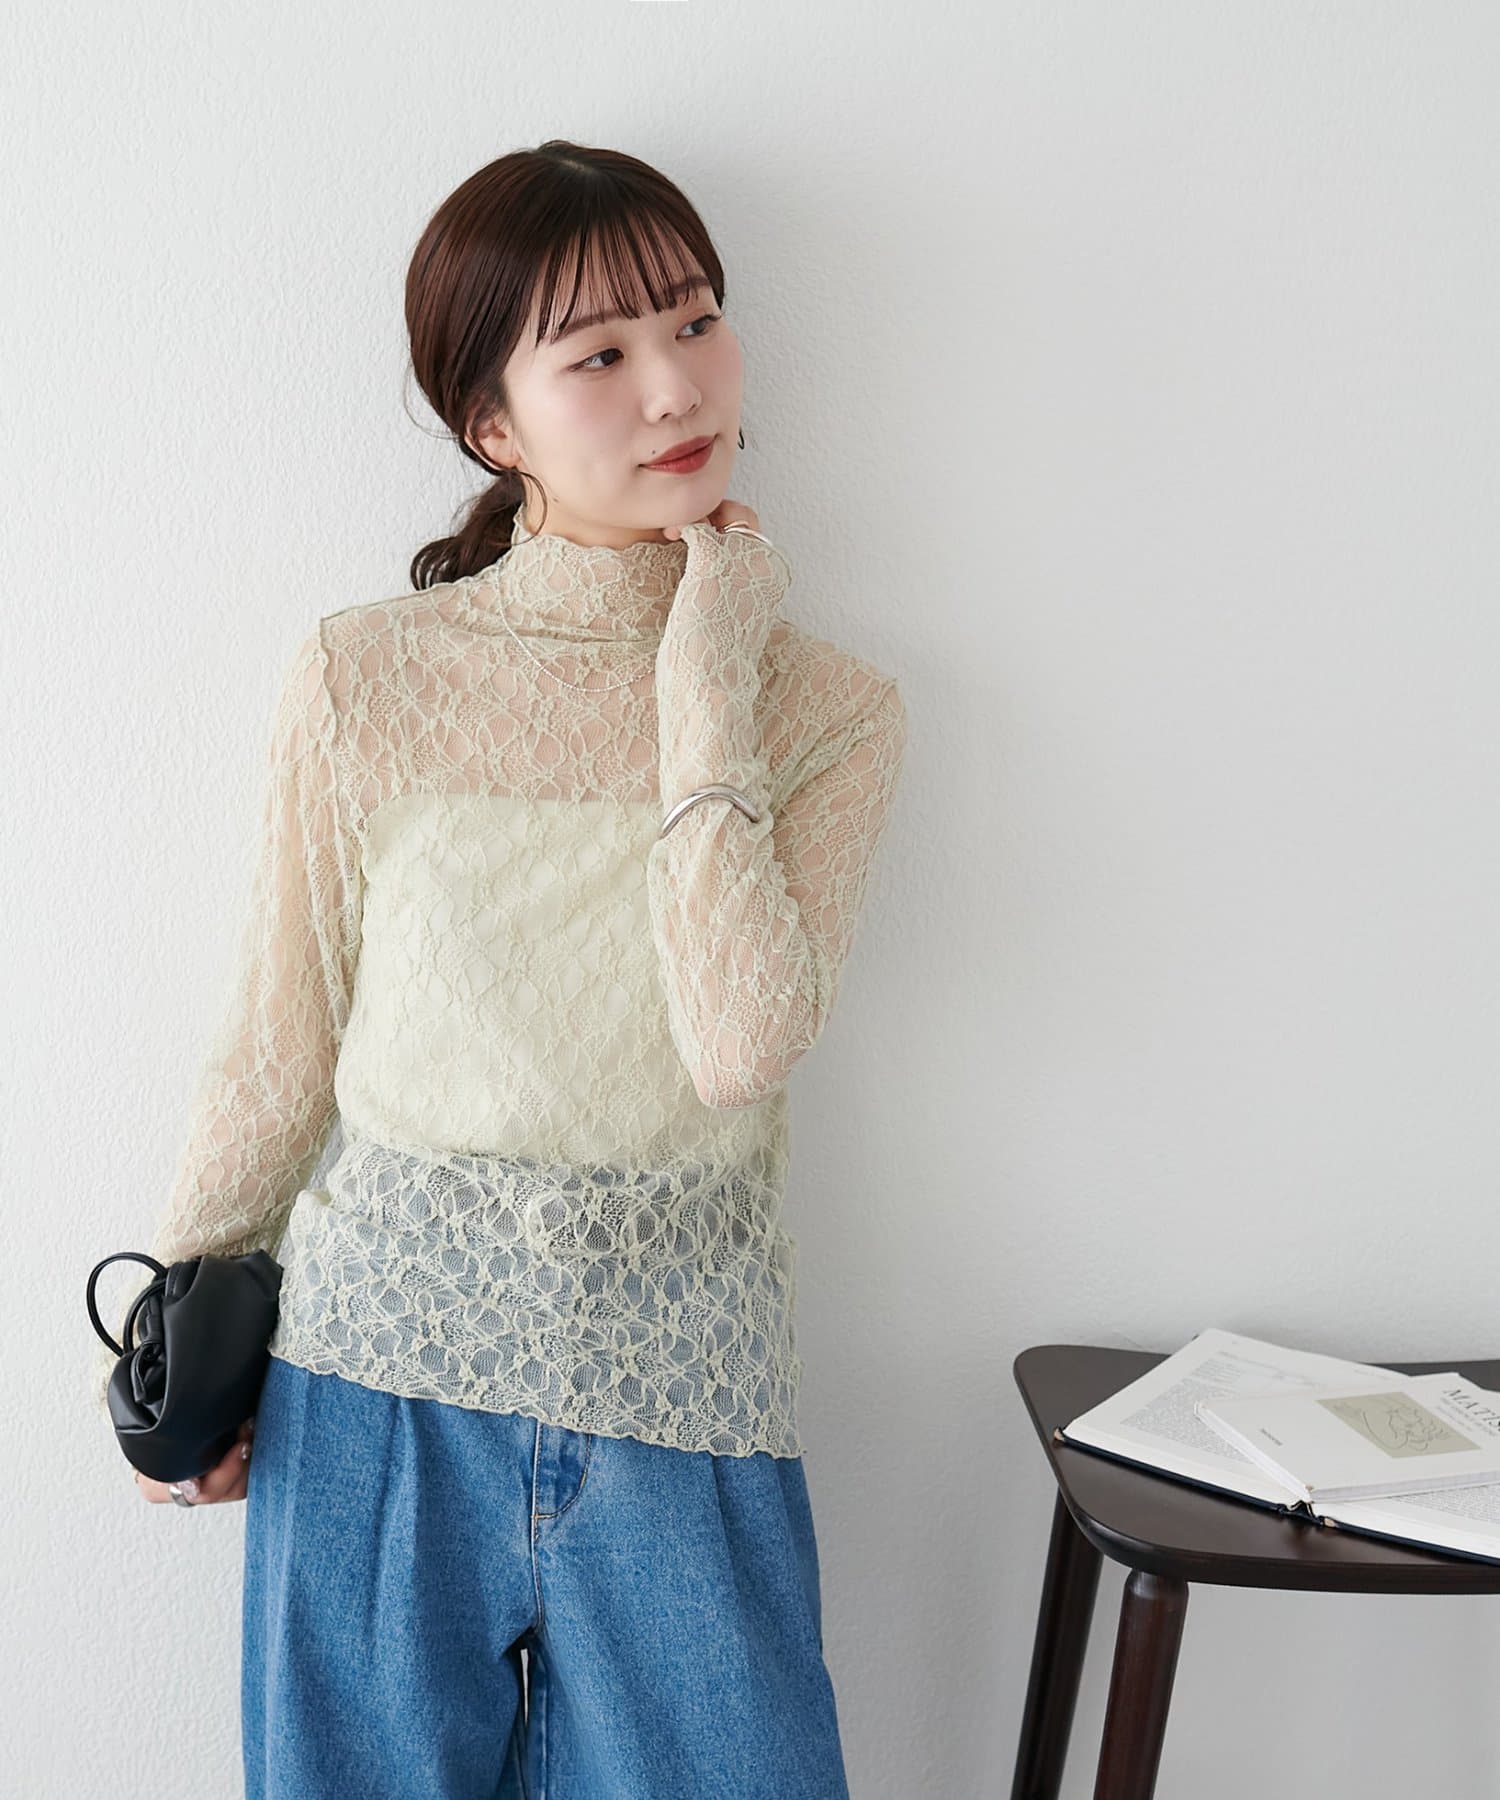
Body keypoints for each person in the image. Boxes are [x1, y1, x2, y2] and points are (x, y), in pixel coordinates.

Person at [96, 138, 908, 1798]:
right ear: (493, 426)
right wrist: (176, 1342)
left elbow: (741, 1041)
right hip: (373, 1388)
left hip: (686, 1395)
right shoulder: (367, 675)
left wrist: (705, 666)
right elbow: (278, 1042)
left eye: (695, 319)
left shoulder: (828, 708)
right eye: (598, 354)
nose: (675, 384)